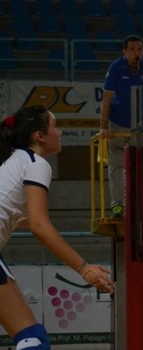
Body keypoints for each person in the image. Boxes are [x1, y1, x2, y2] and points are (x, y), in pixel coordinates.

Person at [0, 106, 114, 350]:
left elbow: (22, 217)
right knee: (33, 339)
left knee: (31, 337)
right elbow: (39, 226)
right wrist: (83, 268)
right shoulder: (36, 164)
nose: (59, 132)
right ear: (40, 136)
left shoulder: (15, 160)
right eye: (55, 126)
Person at [99, 35, 143, 218]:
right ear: (125, 52)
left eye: (140, 49)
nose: (137, 53)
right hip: (117, 123)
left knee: (141, 165)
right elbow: (107, 98)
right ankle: (118, 205)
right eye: (133, 49)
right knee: (117, 165)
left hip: (139, 124)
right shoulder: (116, 67)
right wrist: (104, 126)